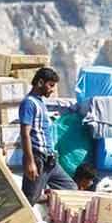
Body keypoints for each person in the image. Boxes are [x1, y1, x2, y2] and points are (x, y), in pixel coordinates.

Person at [19, 67, 76, 205]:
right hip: (38, 159)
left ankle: (48, 197)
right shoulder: (29, 103)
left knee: (71, 188)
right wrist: (30, 162)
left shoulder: (40, 103)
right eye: (50, 85)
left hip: (50, 161)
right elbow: (25, 134)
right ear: (40, 82)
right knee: (29, 200)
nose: (52, 89)